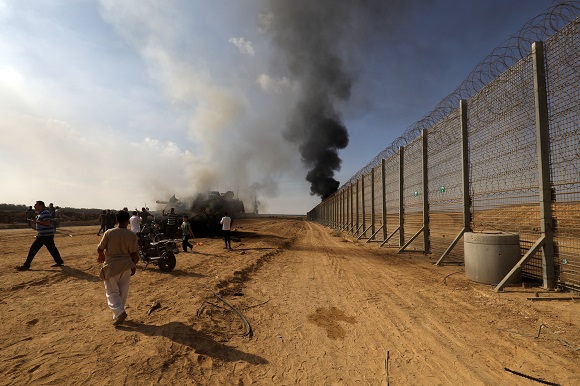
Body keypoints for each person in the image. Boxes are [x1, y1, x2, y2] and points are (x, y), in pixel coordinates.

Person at [97, 210, 139, 326]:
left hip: (111, 266)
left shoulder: (109, 233)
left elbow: (100, 248)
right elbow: (134, 254)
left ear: (116, 220)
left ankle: (120, 313)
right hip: (126, 267)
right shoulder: (132, 235)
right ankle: (118, 315)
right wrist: (133, 265)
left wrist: (101, 255)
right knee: (123, 293)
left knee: (111, 292)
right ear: (127, 221)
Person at [16, 201, 65, 271]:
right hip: (45, 235)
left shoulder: (45, 213)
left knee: (33, 249)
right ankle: (59, 262)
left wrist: (36, 222)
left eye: (36, 205)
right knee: (52, 249)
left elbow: (47, 223)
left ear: (41, 206)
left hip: (45, 236)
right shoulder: (41, 213)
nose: (34, 206)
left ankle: (26, 265)